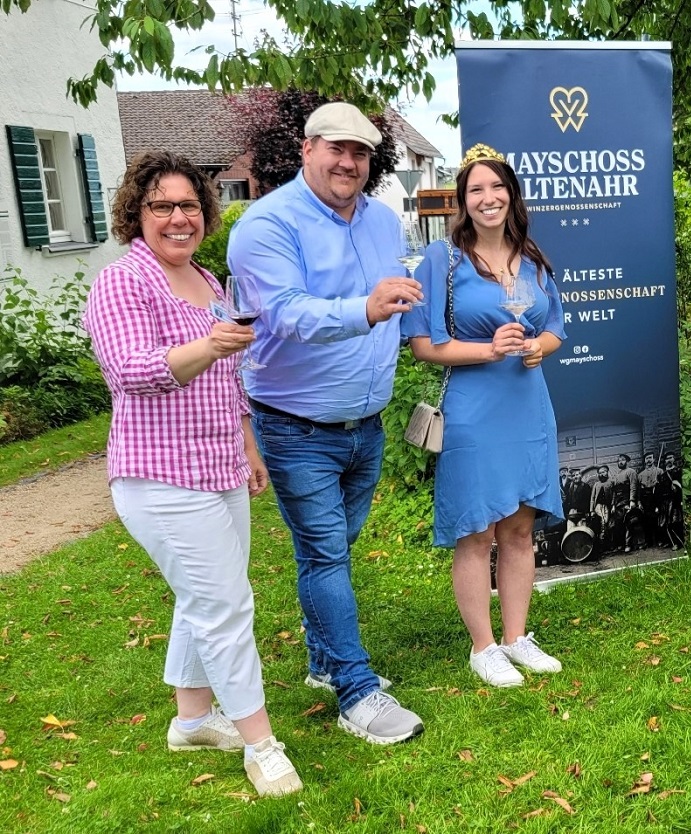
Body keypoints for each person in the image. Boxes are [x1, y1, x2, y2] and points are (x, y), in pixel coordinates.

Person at [83, 151, 301, 797]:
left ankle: (192, 719)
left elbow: (228, 381)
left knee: (204, 597)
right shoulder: (124, 282)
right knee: (226, 605)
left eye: (189, 206)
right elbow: (130, 372)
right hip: (158, 476)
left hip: (219, 466)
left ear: (205, 214)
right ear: (137, 213)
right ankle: (260, 745)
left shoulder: (209, 281)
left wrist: (249, 446)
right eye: (162, 206)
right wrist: (209, 345)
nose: (178, 218)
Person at [226, 102, 425, 743]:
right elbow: (284, 315)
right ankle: (355, 692)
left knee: (333, 550)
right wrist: (365, 310)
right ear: (307, 149)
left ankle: (320, 659)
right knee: (325, 554)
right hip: (295, 426)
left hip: (366, 424)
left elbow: (398, 301)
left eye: (361, 153)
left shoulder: (383, 221)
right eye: (336, 148)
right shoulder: (265, 225)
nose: (349, 162)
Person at [403, 143, 567, 688]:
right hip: (473, 409)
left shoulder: (535, 256)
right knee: (477, 530)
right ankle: (483, 647)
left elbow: (555, 326)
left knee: (520, 528)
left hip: (528, 404)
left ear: (511, 195)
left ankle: (518, 637)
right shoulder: (442, 262)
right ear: (463, 200)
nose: (488, 197)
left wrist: (539, 346)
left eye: (497, 187)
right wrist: (488, 351)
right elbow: (424, 344)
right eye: (476, 189)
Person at [637, 453, 666, 547]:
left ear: (654, 459)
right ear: (644, 460)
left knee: (657, 520)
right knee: (646, 521)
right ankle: (648, 542)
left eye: (650, 458)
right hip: (646, 499)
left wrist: (658, 484)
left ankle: (660, 540)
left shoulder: (660, 471)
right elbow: (639, 491)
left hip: (656, 498)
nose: (648, 460)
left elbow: (663, 488)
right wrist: (639, 502)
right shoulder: (640, 475)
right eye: (646, 458)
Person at [590, 465, 615, 547]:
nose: (602, 474)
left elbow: (614, 495)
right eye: (600, 473)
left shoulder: (611, 482)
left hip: (607, 507)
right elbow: (592, 498)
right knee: (601, 523)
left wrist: (613, 505)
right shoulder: (596, 484)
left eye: (603, 472)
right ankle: (601, 545)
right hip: (598, 507)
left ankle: (609, 543)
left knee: (607, 523)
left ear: (607, 472)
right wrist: (592, 510)